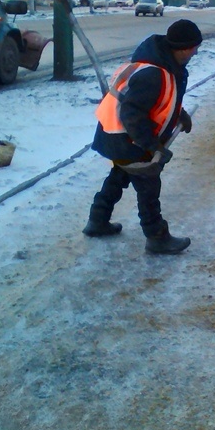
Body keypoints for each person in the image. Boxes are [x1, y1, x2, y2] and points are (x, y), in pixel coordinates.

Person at [83, 19, 202, 255]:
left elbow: (157, 102)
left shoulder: (161, 64)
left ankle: (97, 221)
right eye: (195, 47)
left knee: (119, 176)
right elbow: (132, 113)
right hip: (127, 138)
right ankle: (157, 236)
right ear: (185, 47)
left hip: (116, 136)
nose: (197, 52)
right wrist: (152, 146)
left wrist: (180, 114)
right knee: (148, 185)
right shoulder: (154, 73)